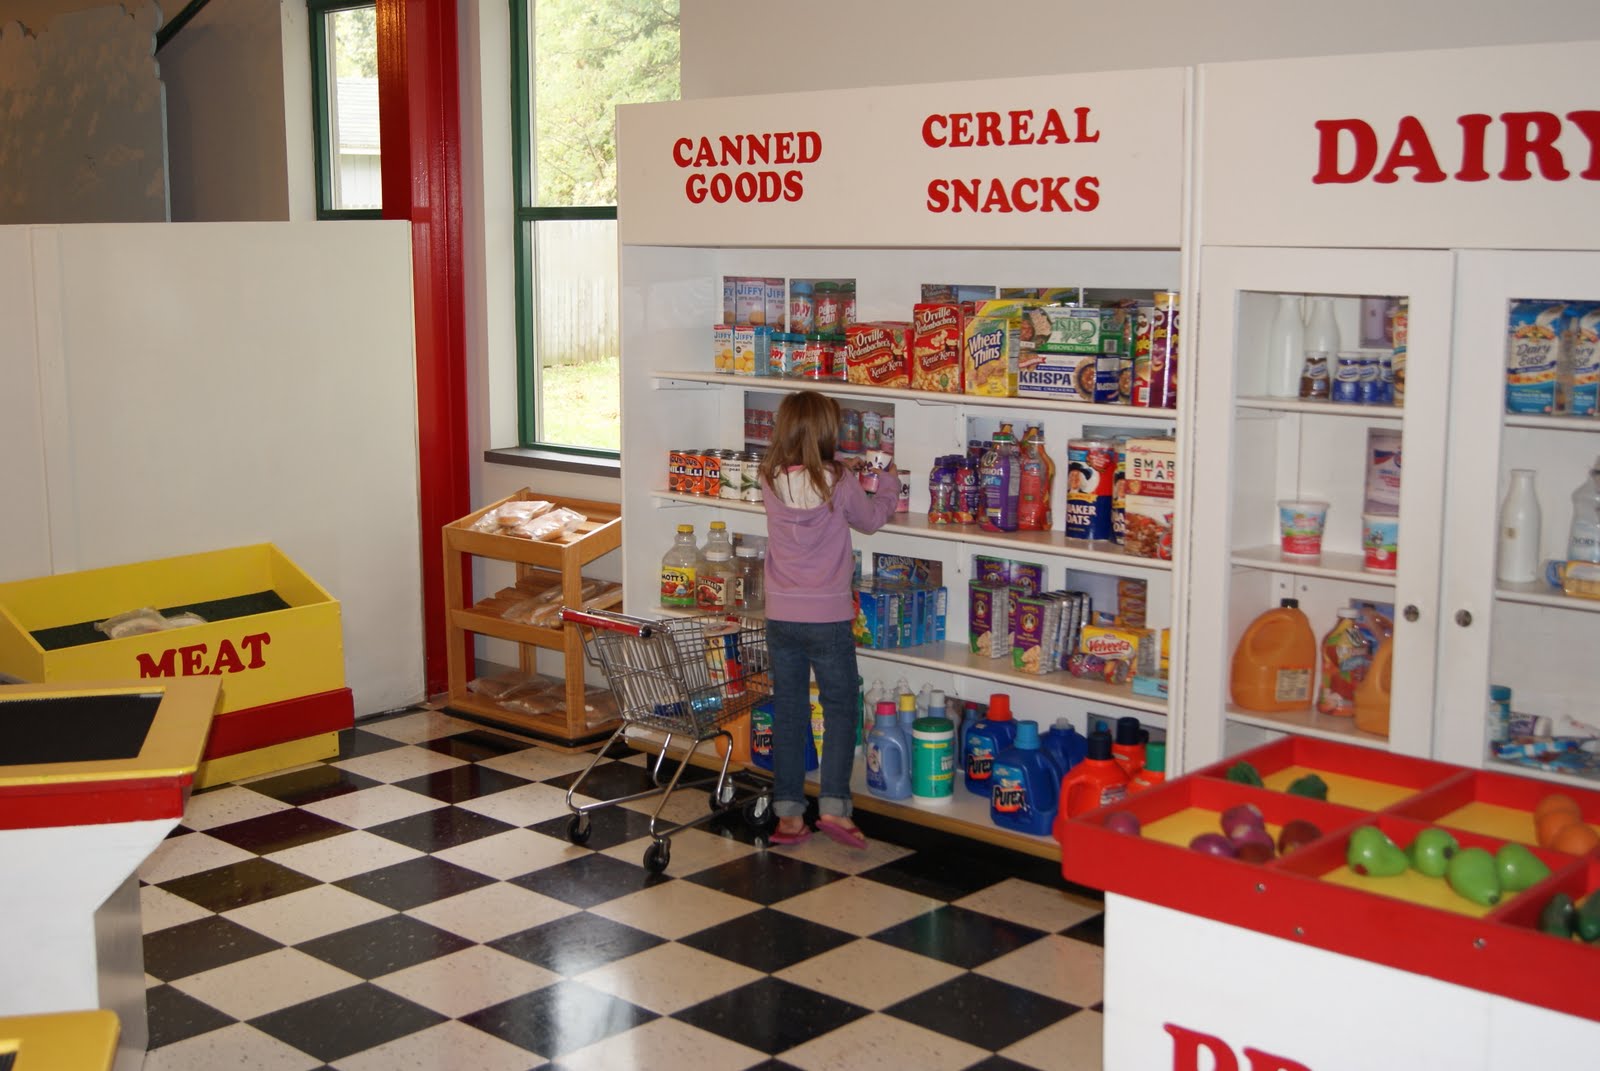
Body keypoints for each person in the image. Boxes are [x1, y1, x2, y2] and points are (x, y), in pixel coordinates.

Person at [758, 391, 899, 849]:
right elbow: (870, 520)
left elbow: (805, 474)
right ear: (828, 433)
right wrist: (889, 483)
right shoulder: (839, 481)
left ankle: (788, 816)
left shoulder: (768, 477)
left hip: (781, 615)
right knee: (840, 709)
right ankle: (835, 807)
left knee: (790, 711)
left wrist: (839, 465)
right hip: (828, 617)